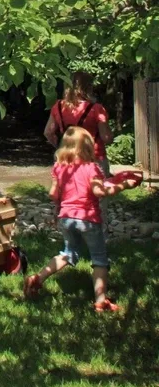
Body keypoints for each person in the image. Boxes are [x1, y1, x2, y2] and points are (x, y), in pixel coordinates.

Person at [24, 126, 137, 311]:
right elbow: (99, 191)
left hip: (66, 218)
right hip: (88, 219)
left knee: (68, 253)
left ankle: (37, 278)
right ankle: (101, 300)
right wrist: (124, 185)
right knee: (99, 259)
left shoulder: (59, 168)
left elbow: (53, 193)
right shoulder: (91, 168)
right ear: (88, 147)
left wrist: (58, 208)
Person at [44, 71, 113, 176]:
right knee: (97, 186)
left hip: (66, 158)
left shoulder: (58, 106)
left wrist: (60, 146)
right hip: (93, 158)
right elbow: (106, 137)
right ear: (88, 87)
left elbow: (48, 132)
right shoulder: (96, 109)